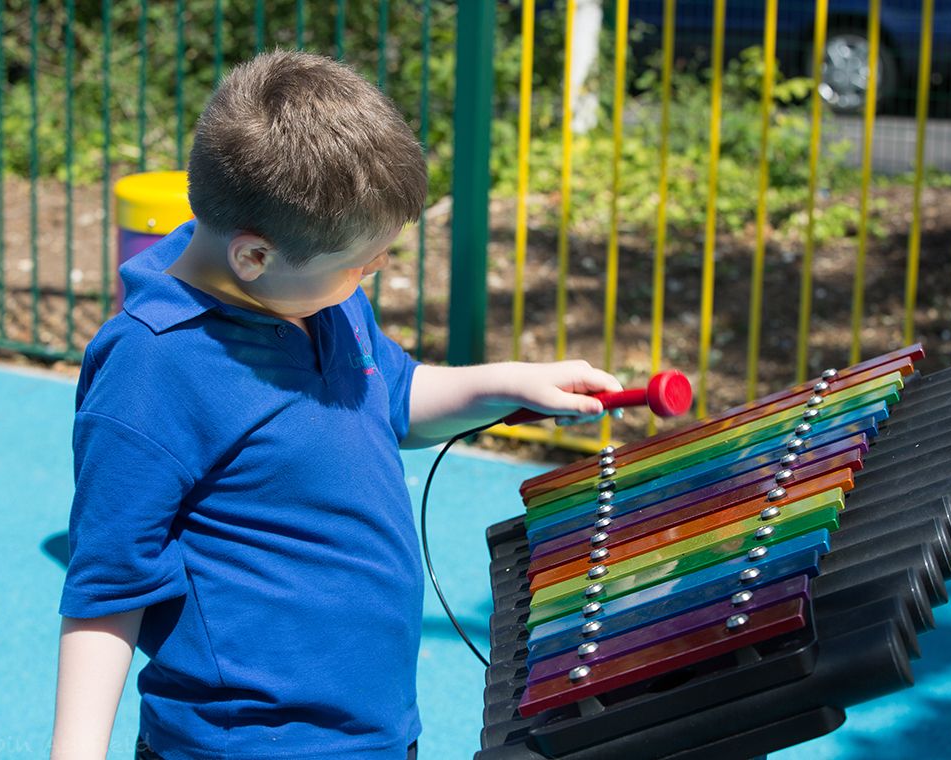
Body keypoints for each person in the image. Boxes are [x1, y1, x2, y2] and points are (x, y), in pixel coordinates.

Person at [51, 50, 622, 760]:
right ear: (253, 257)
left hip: (376, 731)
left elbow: (398, 396)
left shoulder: (318, 298)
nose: (371, 275)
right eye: (359, 263)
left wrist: (508, 383)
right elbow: (110, 583)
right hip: (251, 744)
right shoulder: (152, 367)